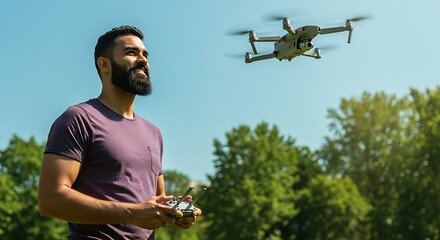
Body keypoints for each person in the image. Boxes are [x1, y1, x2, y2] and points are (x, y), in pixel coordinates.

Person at [38, 25, 201, 239]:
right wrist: (132, 213)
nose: (142, 59)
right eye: (131, 53)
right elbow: (50, 200)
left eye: (145, 54)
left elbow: (156, 201)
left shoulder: (154, 132)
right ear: (104, 64)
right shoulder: (79, 118)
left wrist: (174, 212)